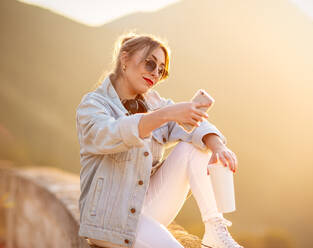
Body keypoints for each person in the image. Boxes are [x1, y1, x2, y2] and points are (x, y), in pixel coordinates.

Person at [76, 32, 243, 248]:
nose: (155, 74)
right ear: (124, 59)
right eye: (150, 64)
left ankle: (214, 229)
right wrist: (165, 114)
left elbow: (194, 128)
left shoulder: (153, 102)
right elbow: (108, 134)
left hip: (145, 208)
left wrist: (218, 146)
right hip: (110, 220)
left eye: (161, 70)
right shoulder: (93, 105)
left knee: (194, 148)